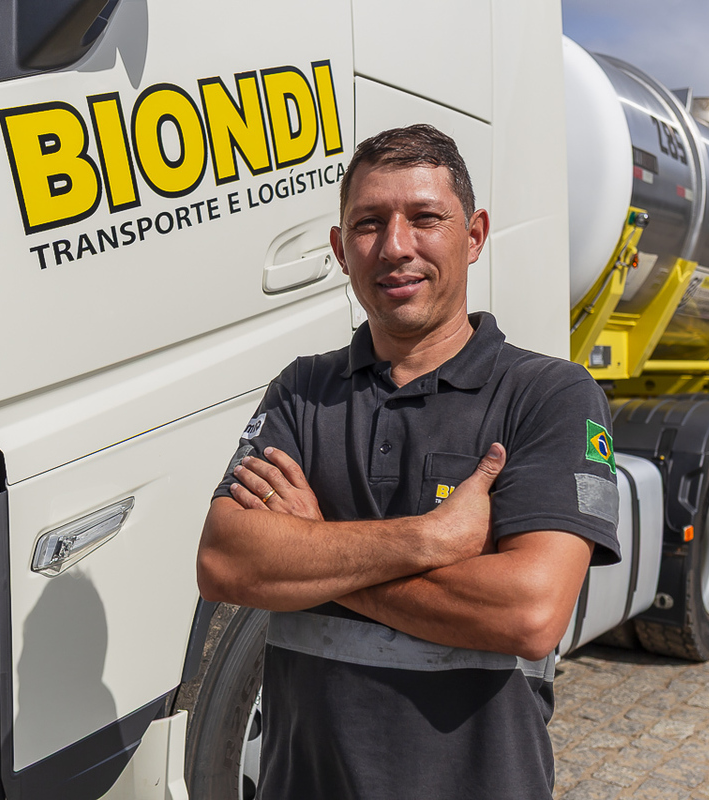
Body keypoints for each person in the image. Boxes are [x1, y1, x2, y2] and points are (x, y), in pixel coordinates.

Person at [196, 124, 622, 799]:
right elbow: (226, 562)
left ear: (474, 235)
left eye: (425, 218)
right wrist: (428, 540)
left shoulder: (549, 395)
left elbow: (530, 613)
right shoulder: (303, 390)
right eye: (368, 224)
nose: (395, 246)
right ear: (341, 250)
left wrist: (313, 548)